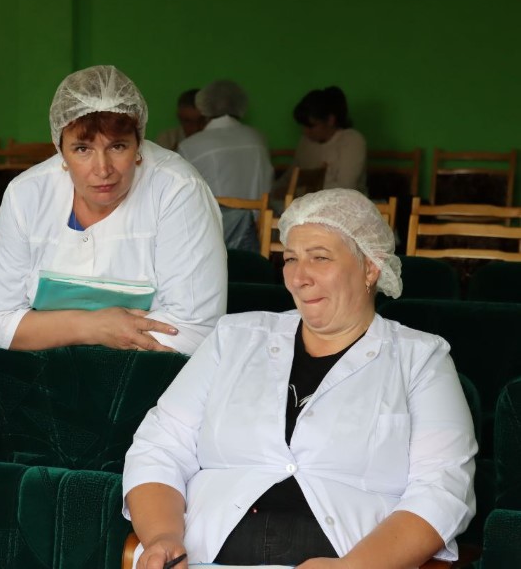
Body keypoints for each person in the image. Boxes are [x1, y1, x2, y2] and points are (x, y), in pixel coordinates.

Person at [123, 188, 476, 568]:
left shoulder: (420, 358)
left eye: (319, 258)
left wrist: (353, 567)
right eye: (291, 258)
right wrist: (162, 536)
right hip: (202, 556)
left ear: (370, 267)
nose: (299, 277)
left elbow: (443, 488)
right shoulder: (234, 338)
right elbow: (160, 446)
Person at [0, 65, 227, 356]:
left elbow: (195, 329)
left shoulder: (178, 189)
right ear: (60, 149)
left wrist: (47, 328)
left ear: (138, 143)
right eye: (82, 149)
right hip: (43, 377)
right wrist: (94, 327)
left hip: (147, 377)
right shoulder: (27, 194)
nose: (103, 169)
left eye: (118, 146)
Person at [178, 79, 274, 251]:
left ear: (203, 109)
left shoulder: (190, 146)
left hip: (212, 236)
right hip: (259, 232)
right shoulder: (258, 139)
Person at [291, 86, 367, 192]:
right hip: (307, 200)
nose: (305, 131)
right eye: (303, 126)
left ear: (330, 120)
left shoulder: (352, 141)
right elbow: (291, 176)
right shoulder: (305, 142)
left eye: (311, 126)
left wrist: (300, 190)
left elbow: (346, 187)